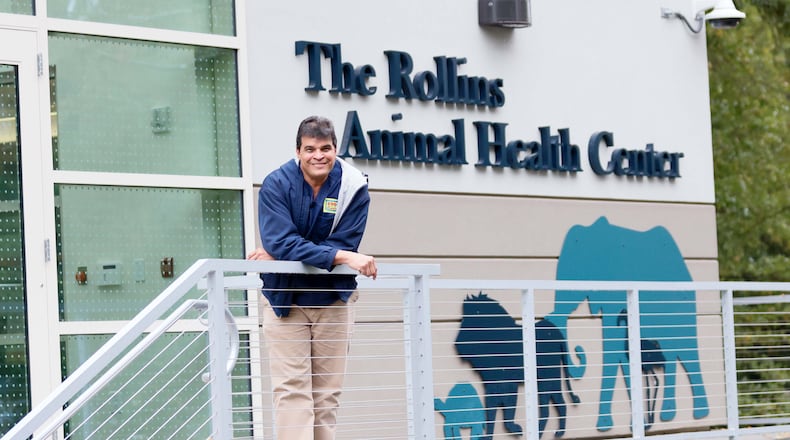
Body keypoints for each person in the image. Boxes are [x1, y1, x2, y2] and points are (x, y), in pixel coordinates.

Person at [247, 115, 377, 440]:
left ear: (335, 149)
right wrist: (344, 258)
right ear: (298, 151)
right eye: (310, 149)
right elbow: (280, 240)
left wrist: (289, 251)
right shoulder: (276, 184)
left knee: (326, 396)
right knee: (292, 392)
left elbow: (341, 239)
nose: (318, 155)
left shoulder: (353, 187)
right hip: (285, 301)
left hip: (332, 300)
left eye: (325, 148)